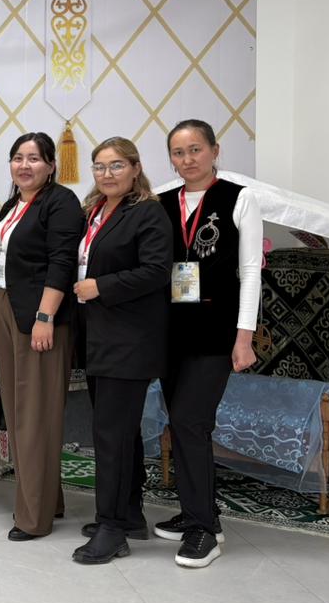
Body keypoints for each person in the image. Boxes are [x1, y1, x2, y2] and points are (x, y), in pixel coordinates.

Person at [153, 119, 262, 568]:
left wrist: (244, 337)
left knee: (190, 421)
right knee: (181, 424)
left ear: (215, 150)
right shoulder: (160, 202)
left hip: (216, 332)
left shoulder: (239, 199)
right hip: (169, 332)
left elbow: (250, 271)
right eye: (178, 152)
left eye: (196, 149)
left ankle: (204, 531)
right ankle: (200, 512)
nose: (187, 159)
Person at [71, 136, 172, 565]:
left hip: (128, 339)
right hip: (99, 336)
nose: (107, 174)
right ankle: (129, 515)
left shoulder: (148, 212)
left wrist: (102, 286)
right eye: (99, 166)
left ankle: (110, 529)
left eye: (116, 166)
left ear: (135, 168)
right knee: (121, 432)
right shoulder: (94, 210)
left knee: (110, 435)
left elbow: (156, 271)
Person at [0, 133, 85, 540]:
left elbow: (61, 262)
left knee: (35, 415)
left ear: (51, 165)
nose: (24, 165)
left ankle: (33, 517)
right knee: (18, 410)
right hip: (6, 305)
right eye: (17, 158)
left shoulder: (61, 202)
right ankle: (50, 500)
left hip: (39, 315)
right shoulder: (12, 204)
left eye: (34, 158)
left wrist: (46, 316)